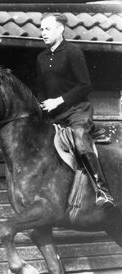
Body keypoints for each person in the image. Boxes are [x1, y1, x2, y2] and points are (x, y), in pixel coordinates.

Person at [37, 12, 116, 214]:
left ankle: (102, 190)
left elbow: (85, 85)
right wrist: (43, 104)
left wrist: (59, 100)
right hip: (54, 115)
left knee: (80, 137)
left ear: (60, 29)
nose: (42, 33)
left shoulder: (73, 52)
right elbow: (42, 89)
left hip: (77, 111)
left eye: (47, 29)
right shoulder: (41, 58)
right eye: (41, 29)